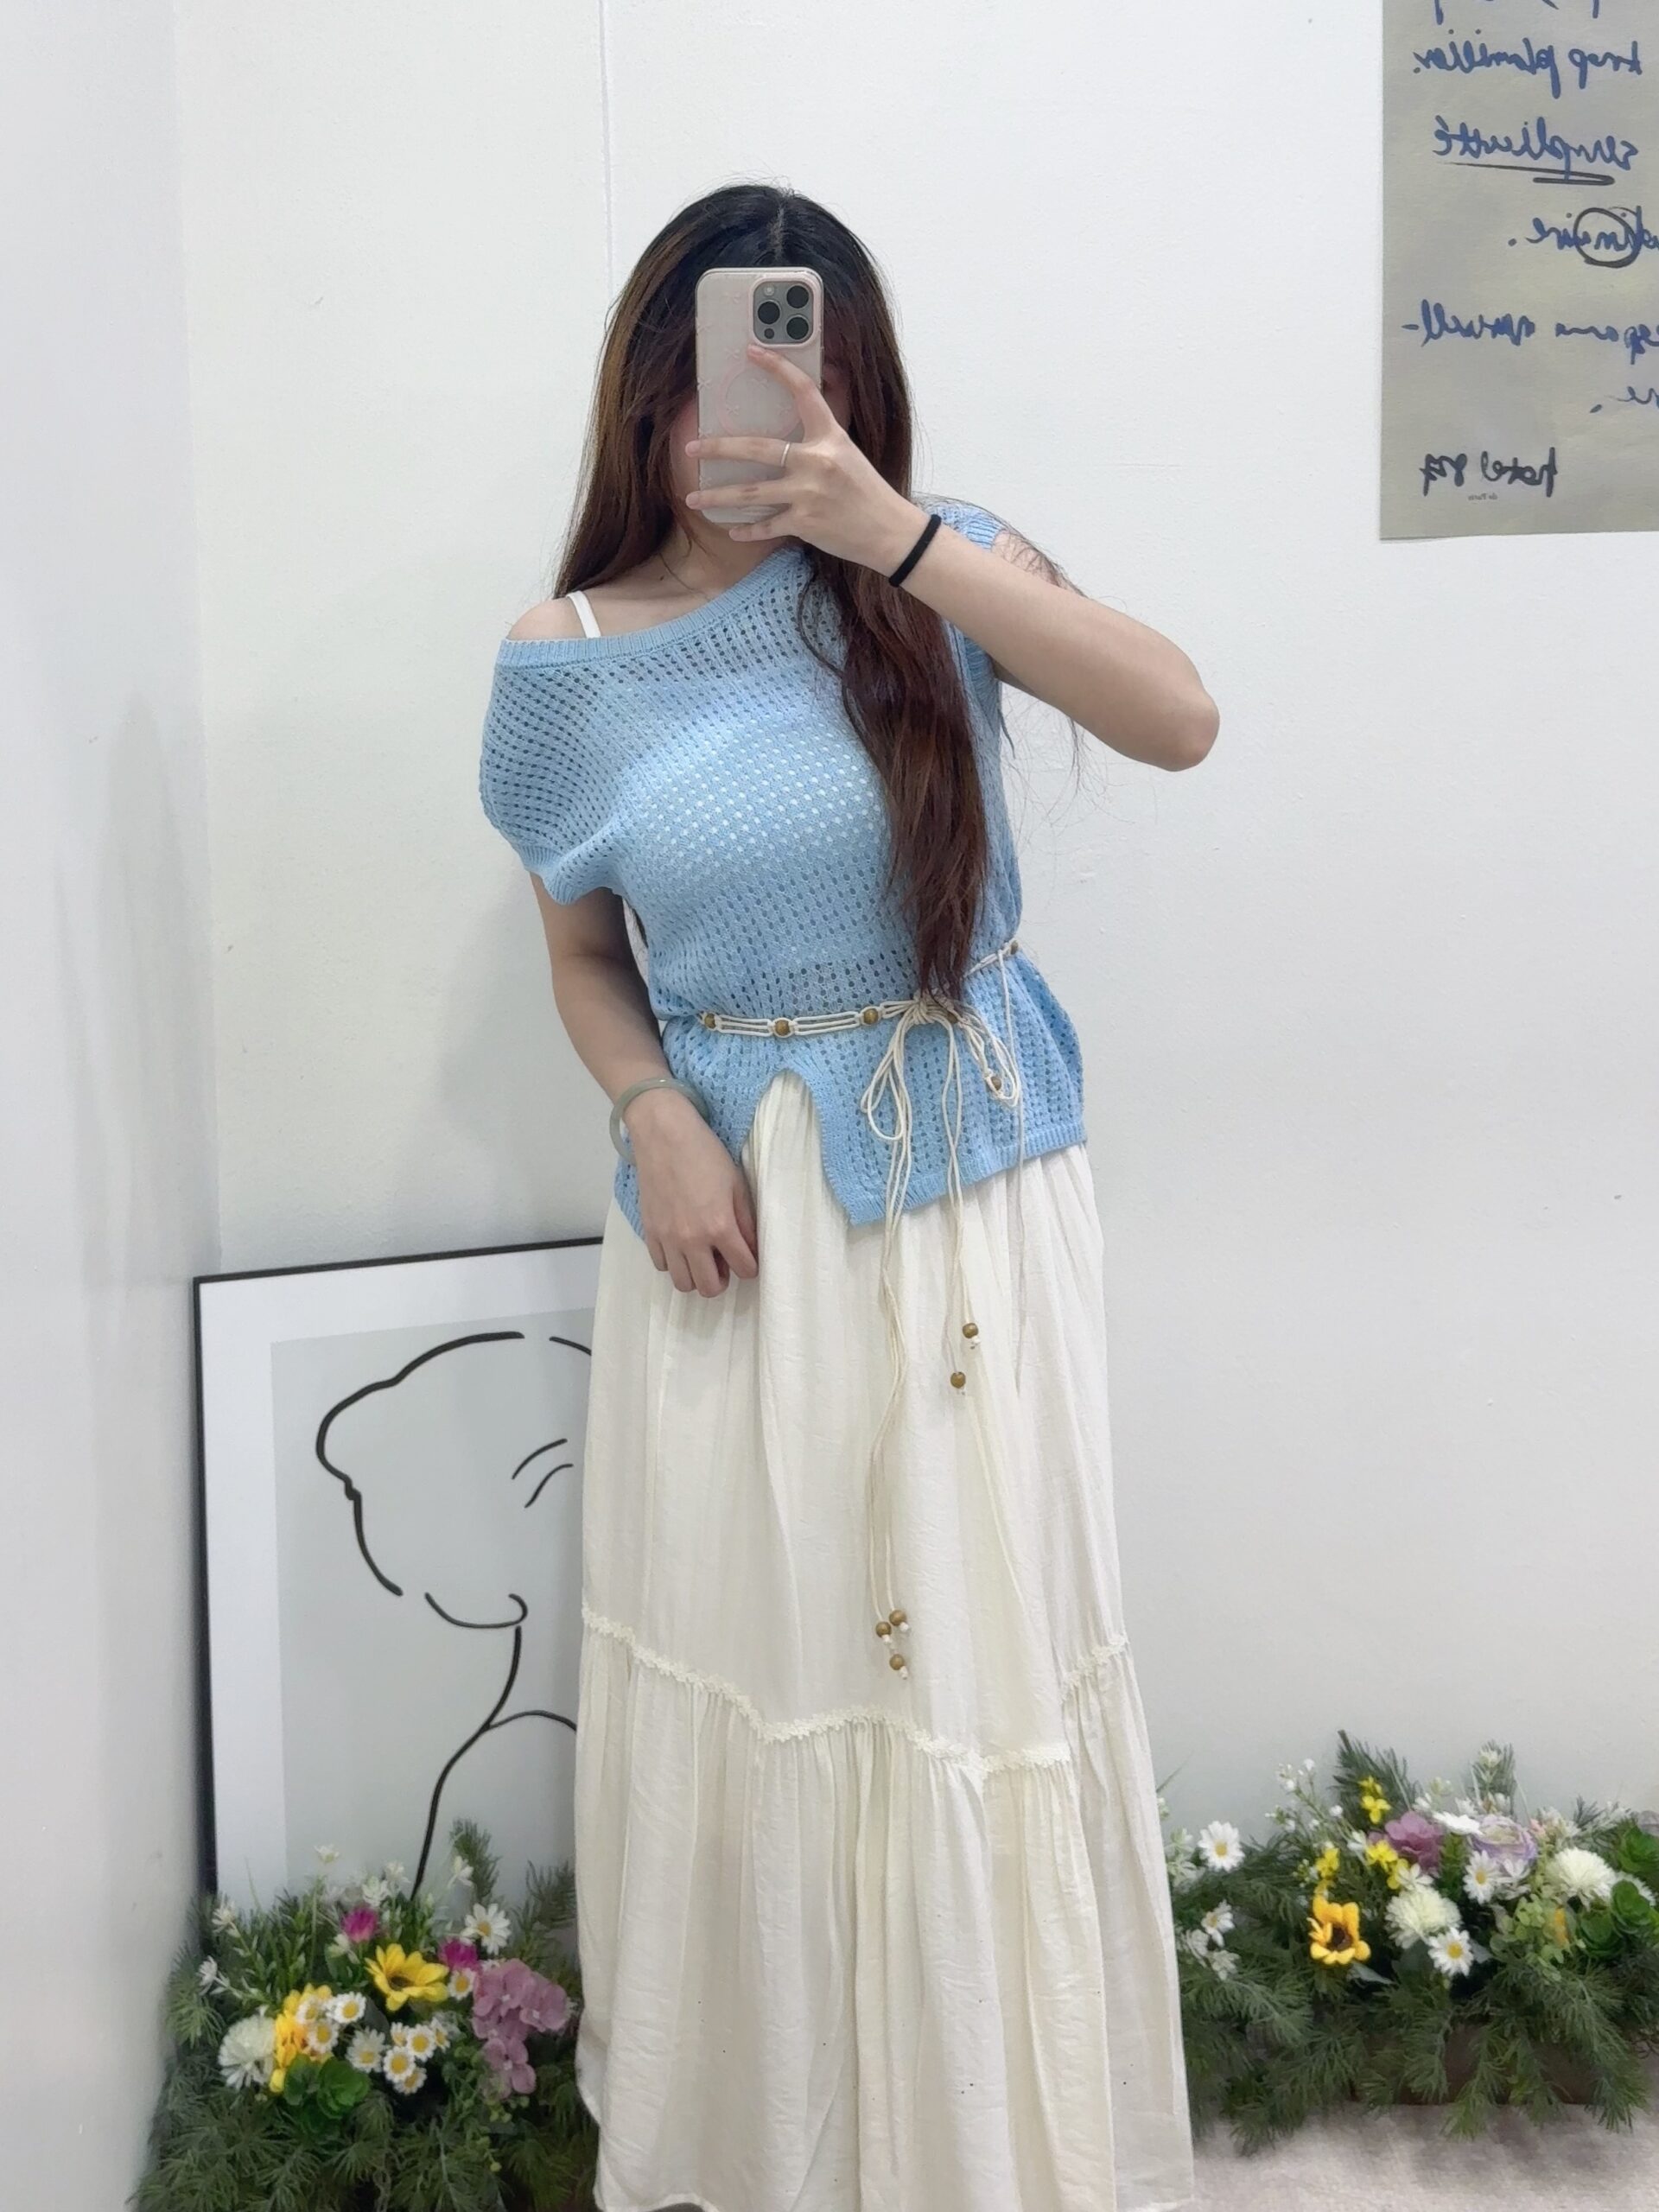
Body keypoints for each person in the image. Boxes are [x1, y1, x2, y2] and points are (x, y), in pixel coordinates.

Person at [478, 181, 1216, 2212]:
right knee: (773, 1659)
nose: (738, 419)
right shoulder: (566, 659)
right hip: (746, 1233)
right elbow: (583, 956)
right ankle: (784, 2145)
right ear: (644, 393)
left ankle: (989, 2152)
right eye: (702, 379)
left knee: (973, 1668)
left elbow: (1177, 717)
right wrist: (651, 1109)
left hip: (972, 1204)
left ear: (849, 381)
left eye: (793, 367)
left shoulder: (942, 560)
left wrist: (891, 533)